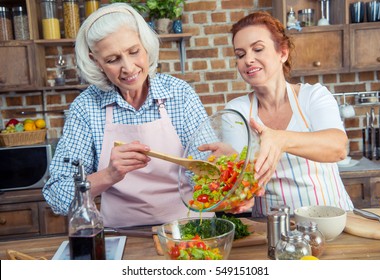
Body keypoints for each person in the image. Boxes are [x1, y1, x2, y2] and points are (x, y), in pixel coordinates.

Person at [42, 3, 213, 227]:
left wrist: (219, 169)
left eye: (134, 52)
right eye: (113, 60)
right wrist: (108, 175)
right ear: (96, 62)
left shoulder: (180, 95)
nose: (129, 68)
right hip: (123, 236)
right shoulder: (86, 108)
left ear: (145, 45)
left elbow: (206, 173)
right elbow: (57, 195)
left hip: (191, 230)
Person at [225, 11, 354, 216]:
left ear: (282, 53)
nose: (248, 59)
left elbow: (338, 148)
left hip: (332, 223)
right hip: (271, 228)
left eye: (258, 49)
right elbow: (241, 175)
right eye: (240, 54)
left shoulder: (313, 96)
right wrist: (235, 190)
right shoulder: (236, 111)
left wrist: (281, 139)